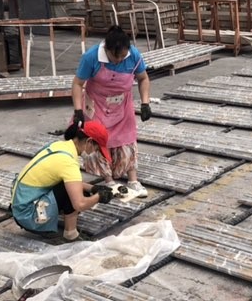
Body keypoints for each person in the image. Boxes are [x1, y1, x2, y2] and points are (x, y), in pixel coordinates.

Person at [71, 25, 151, 197]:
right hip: (96, 105)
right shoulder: (91, 57)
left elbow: (143, 78)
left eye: (122, 56)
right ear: (106, 49)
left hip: (122, 105)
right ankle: (109, 181)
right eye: (115, 57)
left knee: (127, 140)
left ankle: (133, 180)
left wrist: (145, 103)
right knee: (97, 141)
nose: (119, 60)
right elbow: (77, 84)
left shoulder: (134, 56)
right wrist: (78, 110)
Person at [11, 121, 115, 242]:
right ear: (89, 142)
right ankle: (71, 234)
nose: (94, 153)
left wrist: (93, 188)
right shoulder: (68, 163)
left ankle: (55, 224)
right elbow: (80, 204)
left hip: (20, 204)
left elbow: (71, 183)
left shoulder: (59, 146)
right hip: (28, 215)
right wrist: (99, 197)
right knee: (80, 195)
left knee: (74, 188)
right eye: (96, 149)